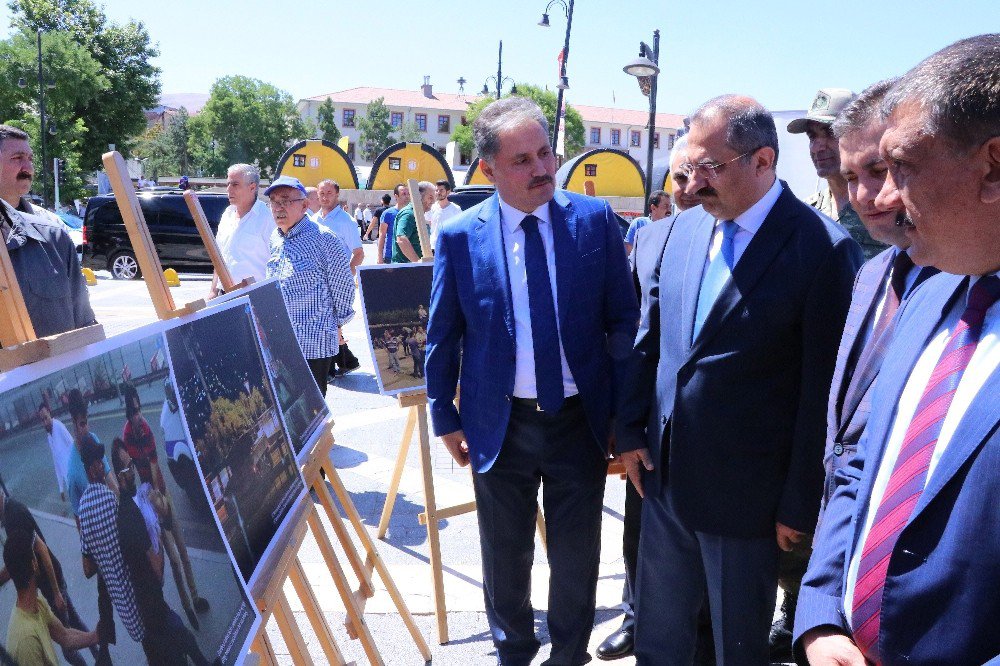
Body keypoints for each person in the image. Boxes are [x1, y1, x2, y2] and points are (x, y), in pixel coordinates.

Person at [615, 94, 862, 665]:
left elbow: (824, 394)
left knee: (737, 649)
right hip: (664, 480)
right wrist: (628, 429)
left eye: (710, 168)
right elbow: (648, 343)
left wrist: (801, 503)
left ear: (763, 161)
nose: (694, 184)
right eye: (688, 169)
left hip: (750, 503)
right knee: (661, 640)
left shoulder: (822, 250)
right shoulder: (681, 233)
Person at [795, 34, 1000, 666]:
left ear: (993, 165)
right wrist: (822, 615)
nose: (887, 200)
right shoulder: (926, 294)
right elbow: (863, 463)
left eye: (901, 169)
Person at [425, 96, 638, 665]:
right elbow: (443, 334)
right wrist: (444, 416)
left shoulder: (593, 222)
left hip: (578, 421)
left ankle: (569, 654)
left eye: (545, 152)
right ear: (489, 169)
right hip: (500, 422)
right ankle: (513, 651)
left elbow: (623, 319)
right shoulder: (460, 236)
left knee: (576, 555)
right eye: (522, 160)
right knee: (505, 553)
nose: (542, 168)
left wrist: (620, 411)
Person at [596, 135, 707, 663]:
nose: (685, 188)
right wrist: (626, 418)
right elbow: (631, 335)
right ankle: (635, 616)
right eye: (677, 178)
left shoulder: (721, 236)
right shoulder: (649, 239)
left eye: (693, 176)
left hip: (703, 421)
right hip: (649, 419)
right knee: (639, 524)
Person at [0, 125, 96, 338]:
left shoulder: (52, 232)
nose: (28, 168)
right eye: (17, 158)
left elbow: (83, 318)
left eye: (30, 159)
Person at [265, 175, 355, 396]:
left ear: (305, 205)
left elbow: (343, 288)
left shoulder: (324, 239)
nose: (279, 207)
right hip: (281, 342)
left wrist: (336, 325)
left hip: (313, 343)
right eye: (274, 201)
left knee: (312, 414)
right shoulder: (276, 239)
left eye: (286, 200)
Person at [0, 491, 97, 666]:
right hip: (45, 583)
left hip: (50, 582)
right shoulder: (11, 513)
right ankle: (100, 654)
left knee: (69, 650)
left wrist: (56, 591)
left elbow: (41, 549)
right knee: (72, 622)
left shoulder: (14, 516)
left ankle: (98, 656)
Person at [787, 89, 883, 260]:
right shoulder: (808, 210)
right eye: (812, 136)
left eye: (830, 133)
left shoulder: (883, 203)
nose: (818, 147)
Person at [77, 435, 148, 655]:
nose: (103, 464)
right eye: (100, 461)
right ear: (92, 468)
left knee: (146, 642)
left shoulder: (83, 510)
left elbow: (88, 569)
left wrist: (103, 557)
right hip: (136, 586)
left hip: (120, 599)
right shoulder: (110, 499)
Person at [310, 179, 362, 377]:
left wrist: (345, 276)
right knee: (325, 323)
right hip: (317, 282)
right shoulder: (313, 220)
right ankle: (346, 361)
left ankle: (330, 370)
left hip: (336, 283)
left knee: (330, 323)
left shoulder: (345, 221)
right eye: (321, 193)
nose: (324, 197)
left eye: (329, 193)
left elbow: (358, 253)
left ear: (337, 195)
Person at [212, 163, 274, 296]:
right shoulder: (227, 215)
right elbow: (220, 256)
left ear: (252, 187)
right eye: (228, 184)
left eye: (235, 184)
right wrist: (213, 290)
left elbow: (277, 262)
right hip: (225, 295)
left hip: (257, 296)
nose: (228, 189)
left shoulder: (267, 218)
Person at [38, 403, 73, 503]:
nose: (45, 422)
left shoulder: (59, 426)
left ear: (49, 413)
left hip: (75, 477)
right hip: (69, 482)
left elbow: (74, 446)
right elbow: (56, 462)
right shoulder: (49, 436)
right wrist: (61, 488)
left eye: (46, 418)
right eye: (42, 420)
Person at [392, 181, 434, 263]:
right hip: (406, 269)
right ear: (419, 196)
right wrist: (417, 263)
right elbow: (401, 239)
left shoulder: (419, 214)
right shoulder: (409, 214)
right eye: (430, 197)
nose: (433, 201)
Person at [623, 190, 671, 255]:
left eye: (670, 206)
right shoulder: (639, 223)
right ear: (653, 208)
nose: (669, 210)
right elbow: (628, 248)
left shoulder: (671, 227)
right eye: (666, 206)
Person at [378, 184, 410, 264]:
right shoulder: (388, 214)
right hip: (391, 257)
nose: (407, 196)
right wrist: (380, 256)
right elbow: (382, 235)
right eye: (404, 194)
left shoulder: (412, 214)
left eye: (408, 194)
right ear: (396, 196)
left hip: (409, 256)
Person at [427, 179, 461, 247]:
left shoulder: (456, 209)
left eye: (441, 190)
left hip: (449, 246)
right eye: (437, 190)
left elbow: (459, 228)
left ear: (448, 192)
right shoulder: (431, 207)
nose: (438, 192)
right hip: (434, 245)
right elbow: (428, 223)